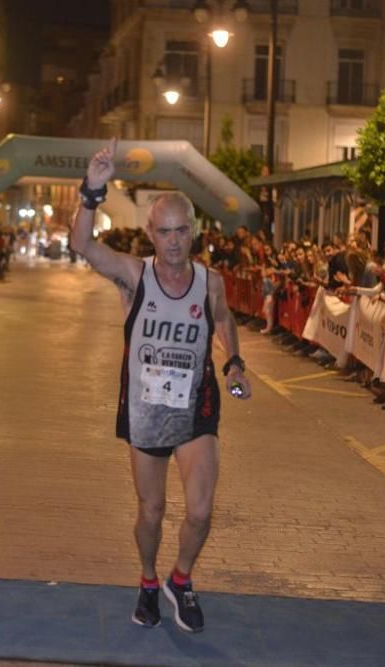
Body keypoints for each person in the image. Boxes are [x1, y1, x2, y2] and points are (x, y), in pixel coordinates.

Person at [68, 139, 251, 634]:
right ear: (151, 232)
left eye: (181, 231)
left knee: (201, 510)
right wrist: (92, 192)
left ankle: (181, 579)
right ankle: (149, 580)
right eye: (164, 231)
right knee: (151, 510)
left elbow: (223, 318)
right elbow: (82, 246)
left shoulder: (209, 281)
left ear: (193, 231)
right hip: (147, 410)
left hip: (196, 409)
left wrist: (233, 361)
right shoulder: (134, 275)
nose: (173, 241)